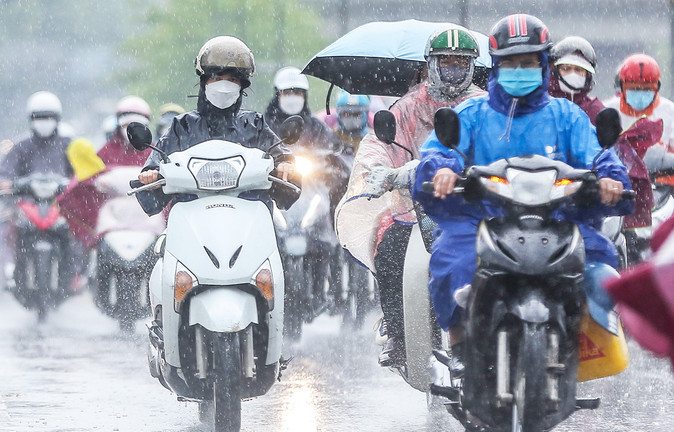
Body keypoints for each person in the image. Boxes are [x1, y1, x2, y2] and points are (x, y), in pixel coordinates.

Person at [412, 14, 633, 374]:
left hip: (559, 219)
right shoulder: (472, 113)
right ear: (496, 66)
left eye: (528, 62)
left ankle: (576, 339)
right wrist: (441, 169)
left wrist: (610, 177)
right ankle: (460, 347)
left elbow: (599, 155)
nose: (519, 70)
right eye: (510, 63)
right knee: (452, 260)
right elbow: (439, 150)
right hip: (483, 221)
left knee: (600, 261)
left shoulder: (567, 116)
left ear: (543, 64)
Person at [334, 24, 485, 367]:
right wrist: (379, 171)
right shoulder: (408, 106)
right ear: (431, 64)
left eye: (461, 63)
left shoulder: (483, 106)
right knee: (387, 246)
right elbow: (377, 145)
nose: (453, 70)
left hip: (471, 208)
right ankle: (397, 329)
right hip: (414, 208)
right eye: (446, 63)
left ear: (472, 66)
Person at [136, 36, 297, 215]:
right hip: (191, 217)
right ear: (204, 82)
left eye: (232, 80)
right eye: (217, 78)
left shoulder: (254, 124)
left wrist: (285, 165)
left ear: (242, 86)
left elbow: (283, 161)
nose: (224, 85)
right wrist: (150, 174)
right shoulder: (183, 126)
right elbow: (156, 166)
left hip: (250, 217)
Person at [264, 66, 341, 151]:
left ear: (304, 95)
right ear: (277, 95)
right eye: (287, 93)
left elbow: (334, 147)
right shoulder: (265, 125)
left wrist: (317, 153)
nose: (292, 97)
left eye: (297, 92)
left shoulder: (316, 126)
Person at [548, 36, 604, 125]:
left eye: (578, 70)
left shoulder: (596, 111)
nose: (572, 74)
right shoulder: (542, 106)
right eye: (566, 69)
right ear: (555, 71)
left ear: (587, 75)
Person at [98, 96, 153, 167]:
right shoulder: (106, 151)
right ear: (119, 125)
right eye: (126, 124)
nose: (132, 130)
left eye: (137, 126)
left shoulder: (154, 152)